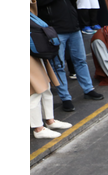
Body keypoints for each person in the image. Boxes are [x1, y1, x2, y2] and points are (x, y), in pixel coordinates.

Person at [37, 0, 105, 112]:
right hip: (56, 30)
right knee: (58, 66)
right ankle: (65, 98)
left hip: (73, 27)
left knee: (80, 60)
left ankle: (88, 89)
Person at [31, 0, 72, 139]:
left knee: (45, 86)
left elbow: (33, 12)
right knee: (34, 91)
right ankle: (38, 128)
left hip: (34, 49)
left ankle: (50, 120)